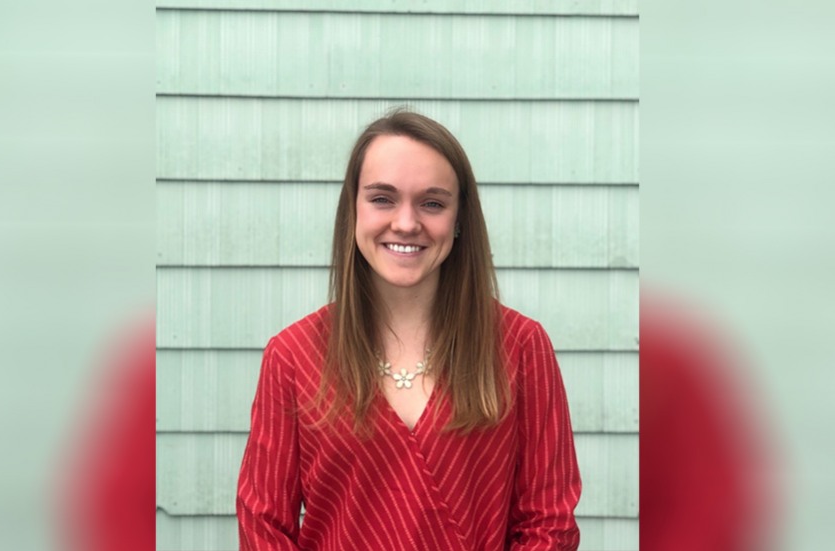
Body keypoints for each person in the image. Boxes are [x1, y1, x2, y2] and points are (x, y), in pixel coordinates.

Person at [236, 110, 581, 550]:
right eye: (382, 198)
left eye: (432, 203)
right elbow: (263, 525)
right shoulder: (293, 355)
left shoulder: (519, 347)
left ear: (459, 221)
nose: (405, 223)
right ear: (353, 210)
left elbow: (549, 523)